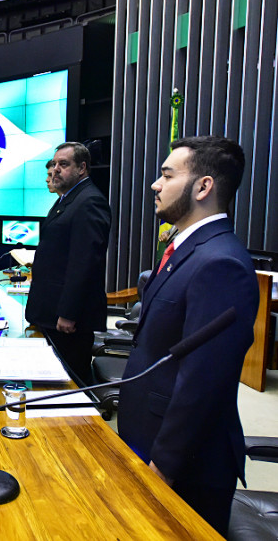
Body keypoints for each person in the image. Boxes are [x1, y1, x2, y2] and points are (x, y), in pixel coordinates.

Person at [118, 136, 259, 536]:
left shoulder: (221, 264)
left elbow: (203, 383)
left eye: (166, 174)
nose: (155, 185)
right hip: (147, 435)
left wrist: (163, 465)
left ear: (203, 187)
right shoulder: (190, 248)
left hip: (182, 463)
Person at [24, 141, 111, 386]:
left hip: (66, 320)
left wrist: (68, 313)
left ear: (82, 168)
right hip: (51, 311)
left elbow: (84, 263)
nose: (55, 170)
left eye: (63, 164)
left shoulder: (89, 201)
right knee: (53, 381)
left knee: (69, 385)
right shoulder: (69, 199)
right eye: (54, 164)